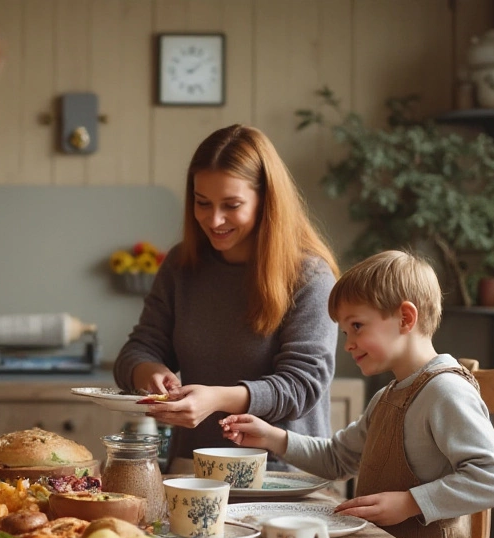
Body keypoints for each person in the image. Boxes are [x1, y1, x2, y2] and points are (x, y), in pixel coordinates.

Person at [219, 250, 494, 538]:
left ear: (405, 318)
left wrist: (410, 503)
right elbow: (337, 459)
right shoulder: (387, 396)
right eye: (345, 331)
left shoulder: (445, 391)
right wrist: (270, 437)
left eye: (357, 326)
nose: (347, 343)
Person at [113, 124, 340, 471]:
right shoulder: (181, 266)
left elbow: (302, 387)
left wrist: (217, 399)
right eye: (202, 203)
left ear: (266, 201)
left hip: (281, 478)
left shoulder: (309, 276)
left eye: (231, 205)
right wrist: (149, 372)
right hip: (193, 474)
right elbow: (137, 350)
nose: (214, 219)